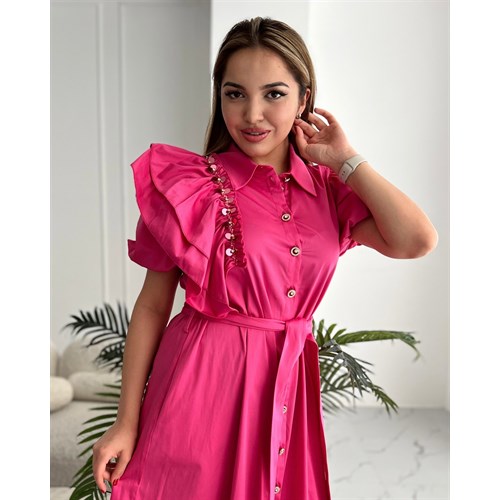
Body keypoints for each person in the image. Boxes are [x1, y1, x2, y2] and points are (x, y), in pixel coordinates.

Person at [91, 16, 438, 500]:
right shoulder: (187, 186)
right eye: (235, 94)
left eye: (274, 94)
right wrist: (125, 421)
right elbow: (152, 306)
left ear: (304, 99)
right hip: (199, 388)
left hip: (287, 385)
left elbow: (416, 240)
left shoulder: (329, 190)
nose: (252, 115)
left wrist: (345, 161)